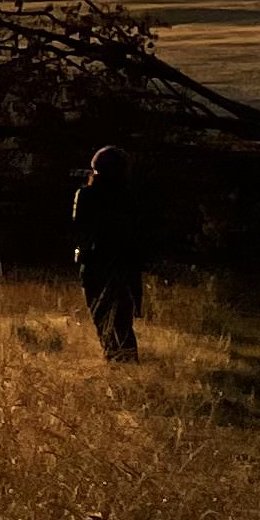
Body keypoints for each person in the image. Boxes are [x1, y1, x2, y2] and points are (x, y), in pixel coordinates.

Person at [72, 143, 145, 361]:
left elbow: (78, 227)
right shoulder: (128, 197)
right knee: (122, 322)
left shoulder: (86, 195)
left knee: (103, 320)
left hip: (94, 265)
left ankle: (117, 362)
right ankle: (125, 365)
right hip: (121, 265)